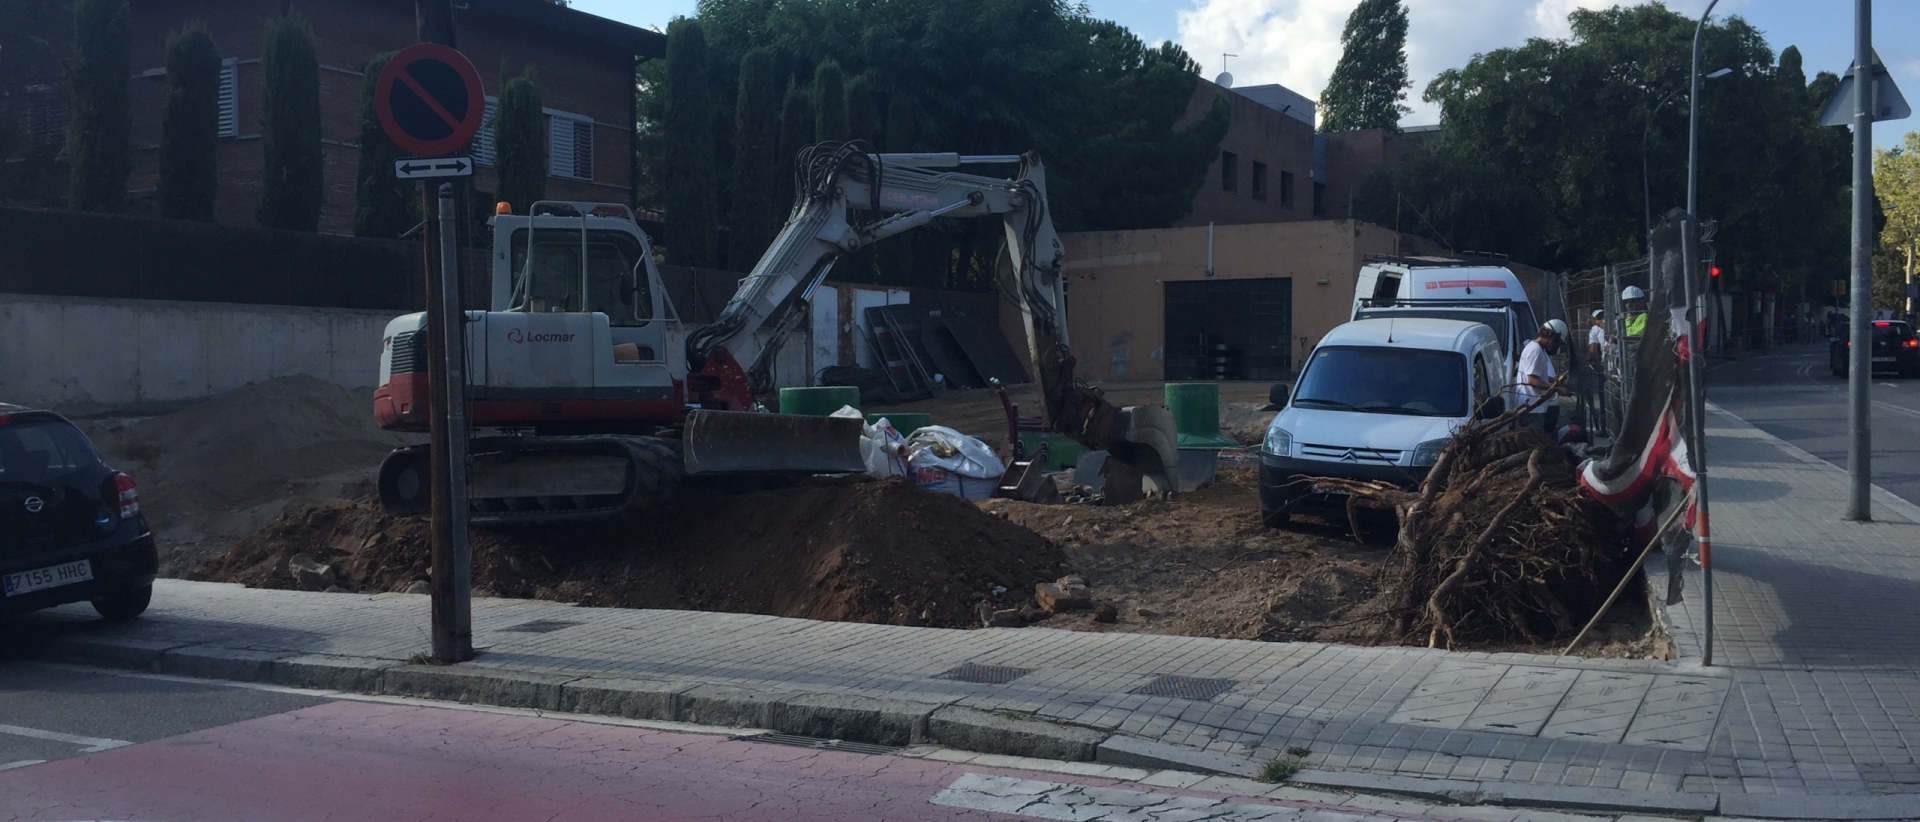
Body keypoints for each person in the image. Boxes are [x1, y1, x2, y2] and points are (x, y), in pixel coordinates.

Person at [1515, 319, 1573, 431]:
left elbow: (1536, 375)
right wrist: (1556, 389)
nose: (1556, 346)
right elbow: (1531, 380)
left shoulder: (1536, 349)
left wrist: (1554, 380)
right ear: (1552, 337)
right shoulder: (1535, 351)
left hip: (1534, 407)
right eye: (1557, 342)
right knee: (1535, 444)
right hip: (1532, 408)